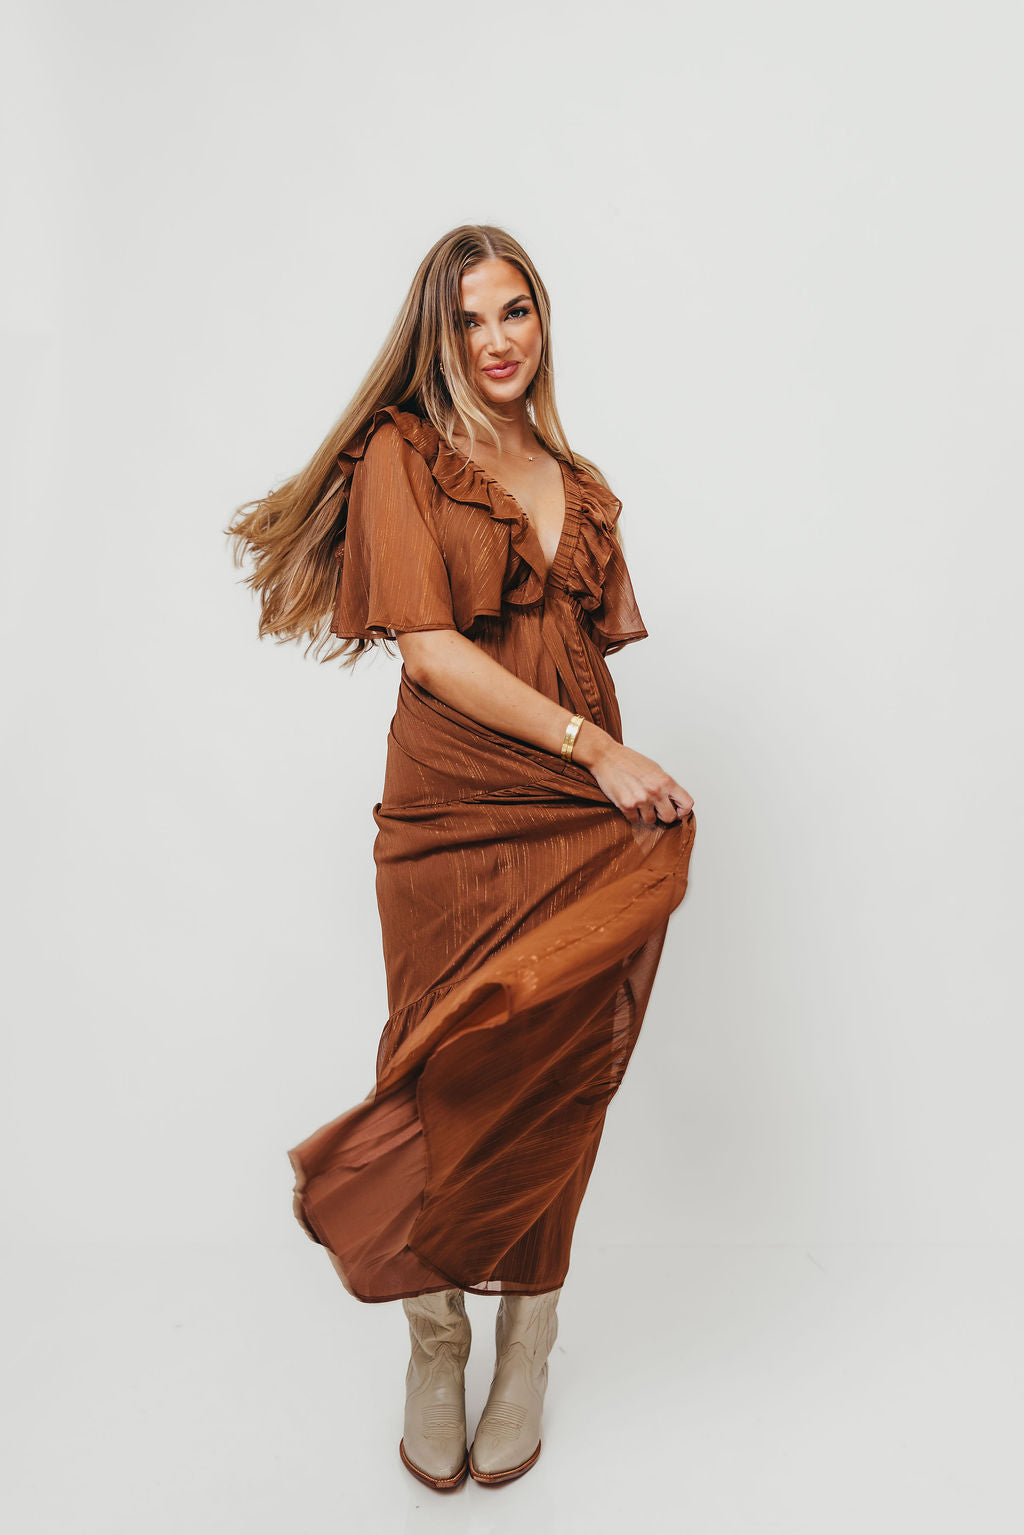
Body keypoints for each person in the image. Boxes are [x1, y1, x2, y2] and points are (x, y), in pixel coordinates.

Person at [226, 224, 697, 1493]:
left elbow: (576, 647)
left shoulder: (576, 480)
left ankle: (527, 1341)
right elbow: (431, 651)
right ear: (436, 335)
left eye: (515, 310)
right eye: (470, 318)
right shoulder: (406, 454)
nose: (496, 340)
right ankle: (434, 1342)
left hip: (575, 810)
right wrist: (598, 747)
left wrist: (608, 771)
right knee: (441, 1063)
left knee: (556, 1070)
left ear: (542, 320)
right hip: (448, 812)